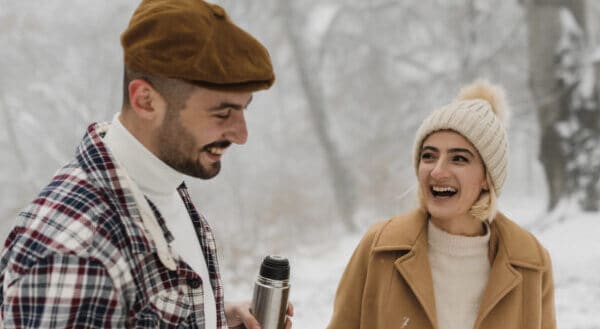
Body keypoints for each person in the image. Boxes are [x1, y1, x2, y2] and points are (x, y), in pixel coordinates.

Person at [0, 0, 291, 328]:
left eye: (244, 109)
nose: (241, 135)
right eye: (223, 113)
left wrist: (211, 319)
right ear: (145, 100)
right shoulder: (75, 254)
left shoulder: (158, 181)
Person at [327, 80, 556, 329]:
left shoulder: (530, 261)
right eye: (429, 156)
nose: (437, 171)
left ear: (486, 178)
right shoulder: (379, 247)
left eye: (459, 158)